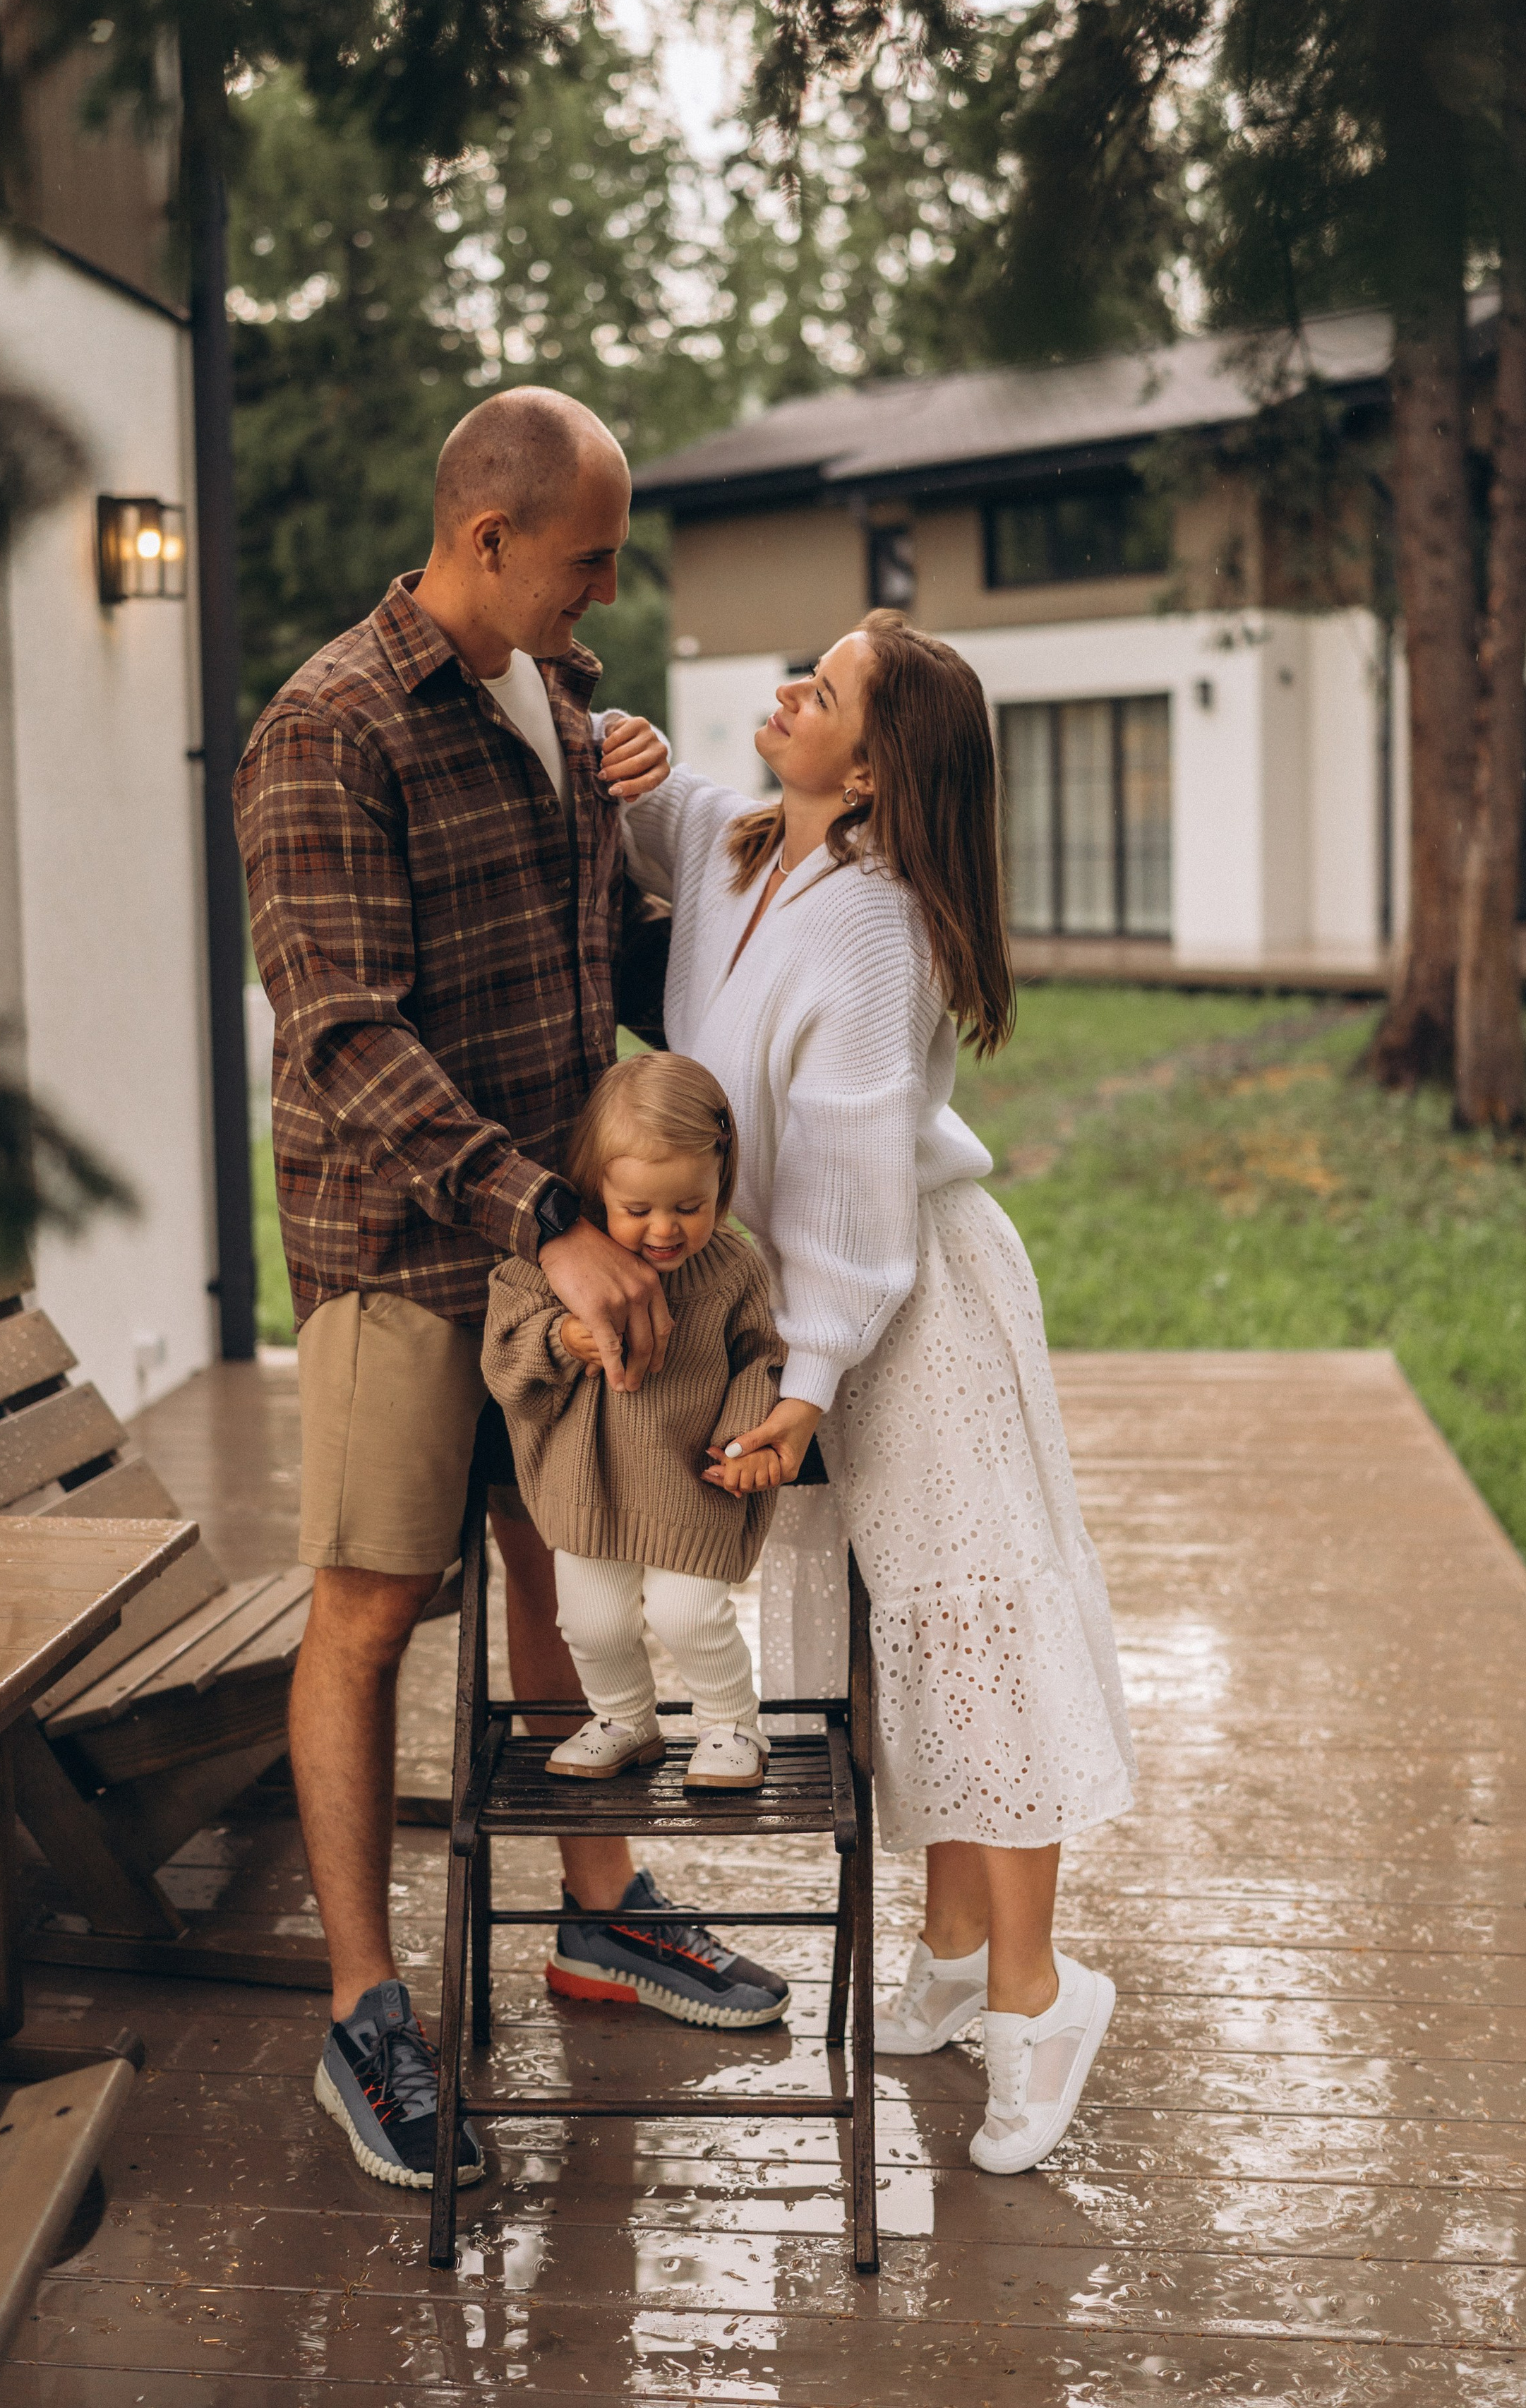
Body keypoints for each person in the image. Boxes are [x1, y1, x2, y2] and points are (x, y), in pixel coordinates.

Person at [234, 388, 790, 2199]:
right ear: (487, 539)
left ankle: (600, 1920)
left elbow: (600, 955)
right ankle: (362, 2005)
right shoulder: (320, 730)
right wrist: (539, 1210)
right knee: (372, 1606)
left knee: (576, 1549)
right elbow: (341, 1036)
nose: (605, 592)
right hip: (405, 1248)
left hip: (560, 1231)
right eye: (589, 558)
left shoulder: (557, 703)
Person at [618, 609, 1137, 2176]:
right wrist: (611, 742)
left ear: (875, 761)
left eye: (821, 690)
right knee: (888, 1629)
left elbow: (847, 1181)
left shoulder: (870, 923)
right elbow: (624, 780)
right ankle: (960, 1947)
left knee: (971, 1624)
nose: (784, 696)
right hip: (828, 1313)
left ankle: (1042, 1996)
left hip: (909, 1303)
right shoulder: (738, 840)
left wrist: (809, 1376)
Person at [483, 1052, 785, 1811]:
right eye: (639, 1208)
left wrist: (744, 1445)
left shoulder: (731, 1270)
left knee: (690, 1612)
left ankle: (731, 1726)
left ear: (721, 1182)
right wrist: (561, 1339)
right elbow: (502, 1356)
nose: (664, 1229)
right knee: (588, 1618)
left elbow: (762, 1358)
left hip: (690, 1483)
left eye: (690, 1205)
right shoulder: (553, 1268)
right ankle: (624, 1718)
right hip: (591, 1489)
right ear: (595, 1188)